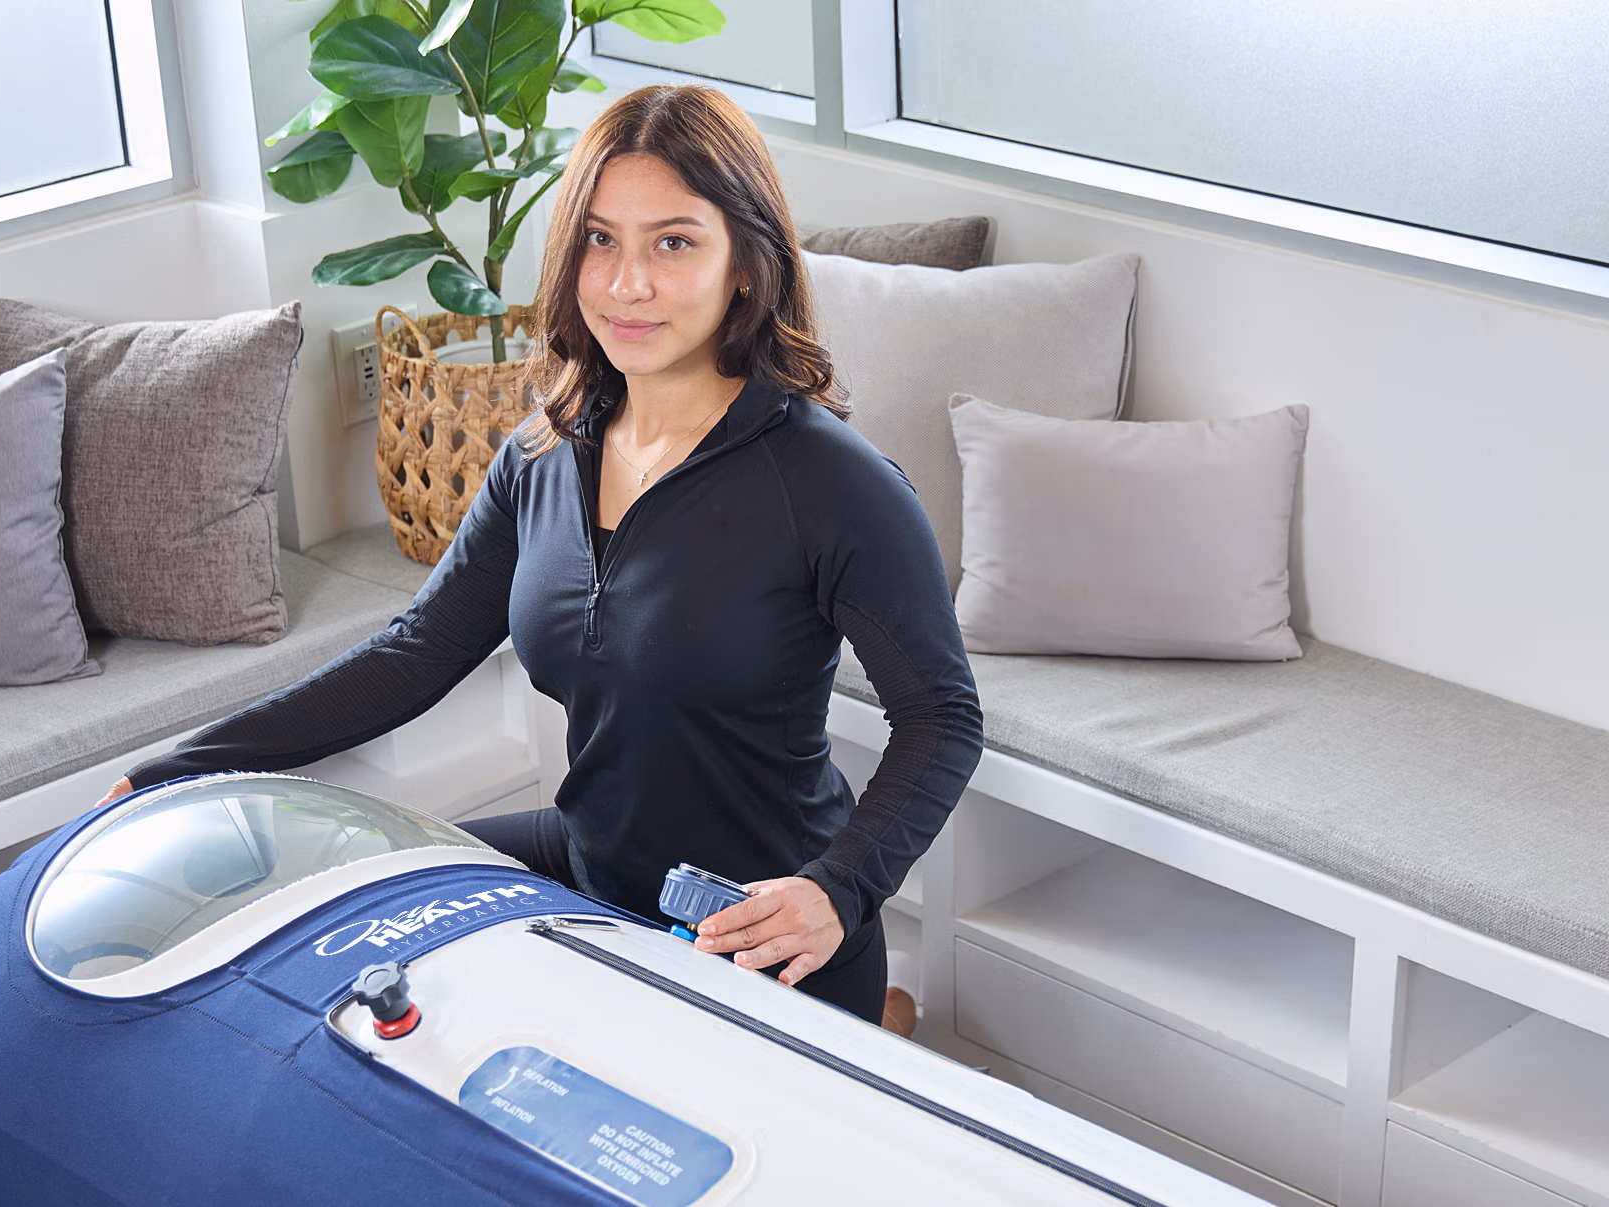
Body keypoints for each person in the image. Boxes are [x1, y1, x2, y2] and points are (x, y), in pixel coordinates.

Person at [101, 84, 985, 1024]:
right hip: (587, 865)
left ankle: (880, 1012)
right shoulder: (544, 451)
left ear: (747, 264)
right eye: (600, 239)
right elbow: (415, 652)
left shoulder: (832, 482)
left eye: (673, 242)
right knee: (352, 909)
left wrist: (837, 891)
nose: (626, 283)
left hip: (752, 925)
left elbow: (942, 717)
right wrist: (183, 768)